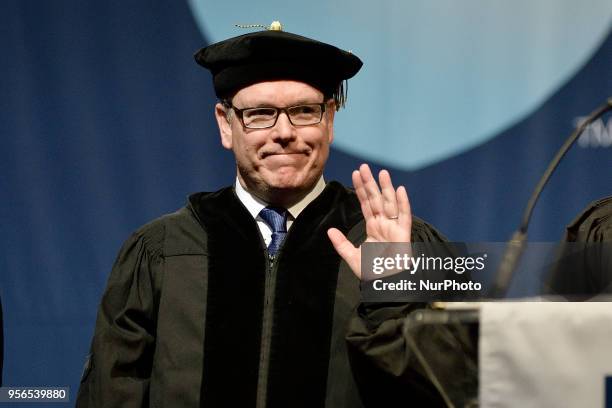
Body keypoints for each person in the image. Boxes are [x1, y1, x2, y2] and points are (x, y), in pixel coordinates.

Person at [76, 25, 448, 407]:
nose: (284, 132)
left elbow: (449, 391)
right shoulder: (158, 252)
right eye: (260, 113)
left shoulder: (407, 245)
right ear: (226, 123)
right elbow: (110, 394)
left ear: (330, 120)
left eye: (305, 111)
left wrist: (391, 292)